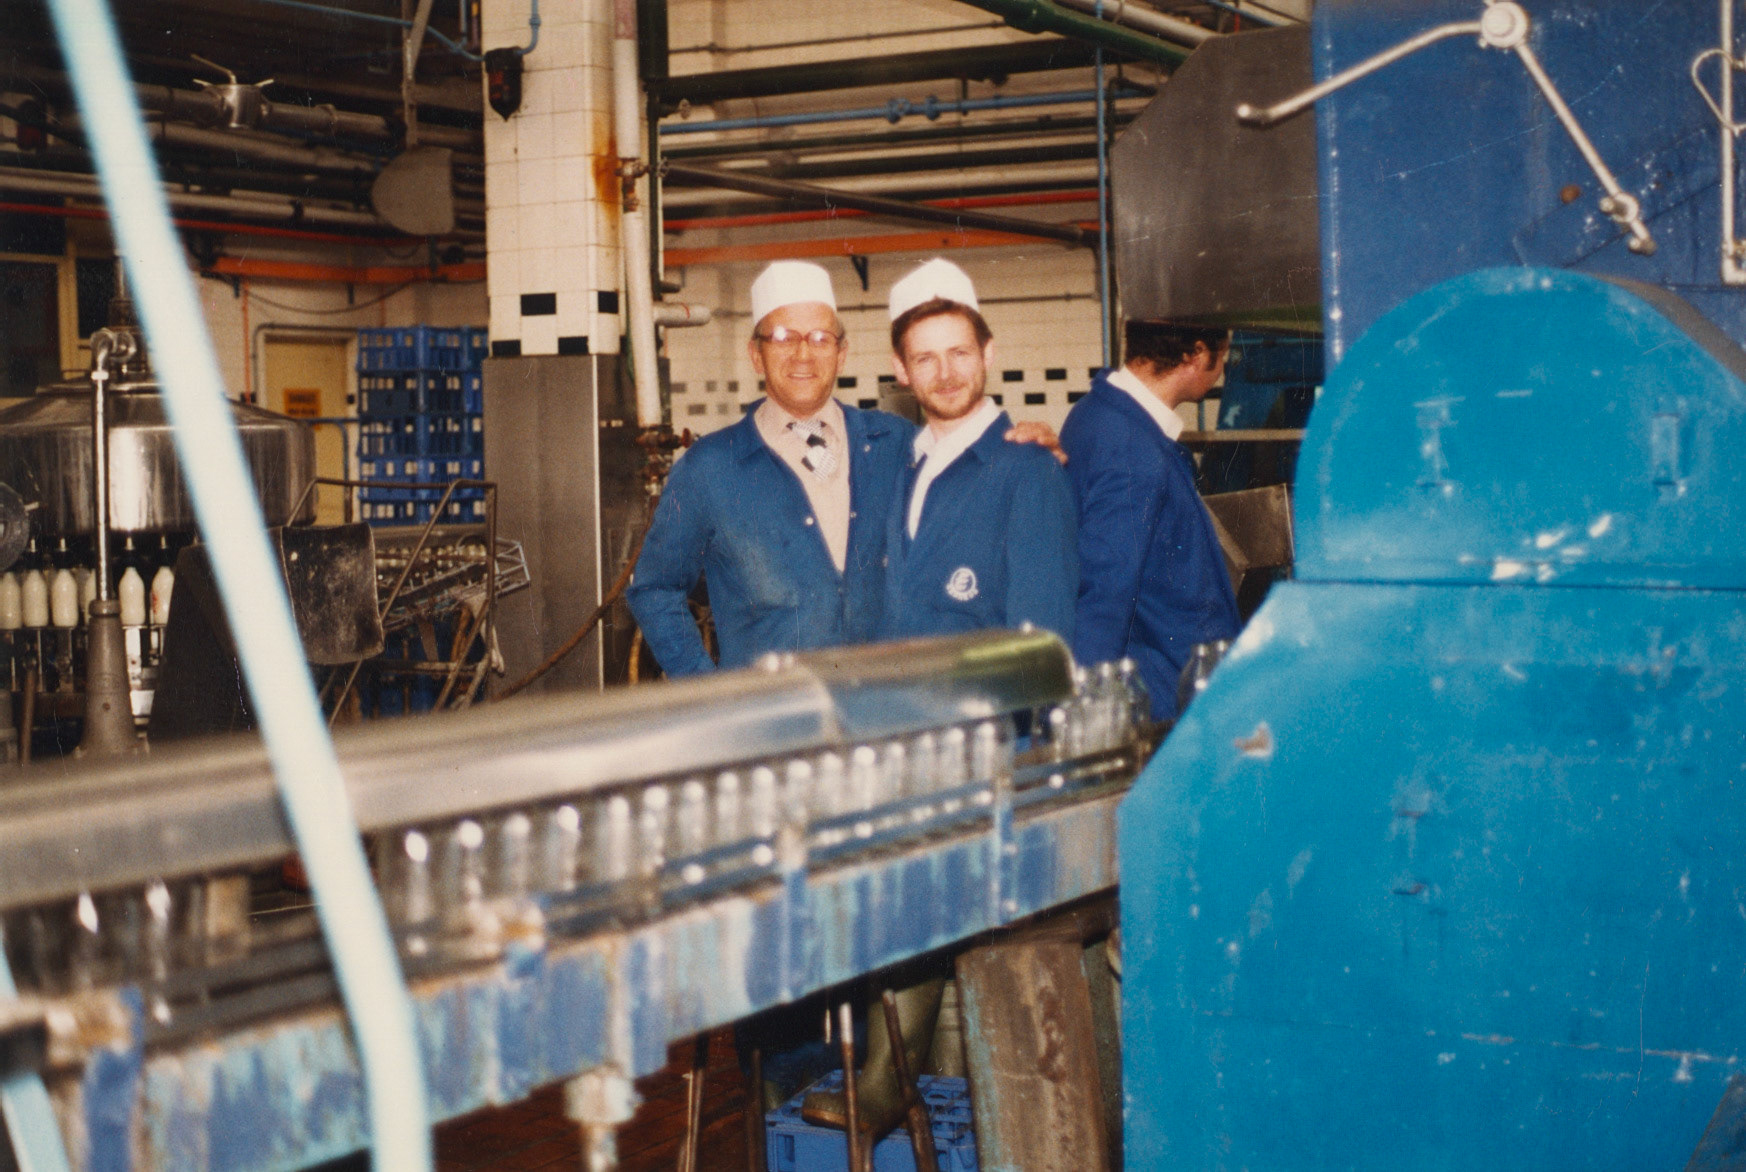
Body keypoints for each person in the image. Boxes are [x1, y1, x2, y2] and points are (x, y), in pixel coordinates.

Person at [626, 260, 912, 675]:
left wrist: (1030, 446)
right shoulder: (709, 468)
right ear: (756, 355)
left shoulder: (897, 445)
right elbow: (654, 589)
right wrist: (706, 692)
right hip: (772, 727)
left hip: (886, 715)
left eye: (819, 337)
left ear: (841, 353)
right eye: (781, 337)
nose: (802, 354)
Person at [878, 258, 1077, 642]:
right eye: (925, 359)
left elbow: (1040, 646)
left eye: (960, 353)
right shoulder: (906, 465)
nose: (946, 374)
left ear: (987, 354)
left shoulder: (1030, 470)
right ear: (901, 370)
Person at [1059, 319, 1241, 720]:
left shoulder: (1094, 414)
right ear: (1195, 355)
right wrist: (1089, 718)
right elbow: (1104, 594)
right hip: (1163, 699)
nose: (1223, 369)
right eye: (1222, 356)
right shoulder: (1134, 451)